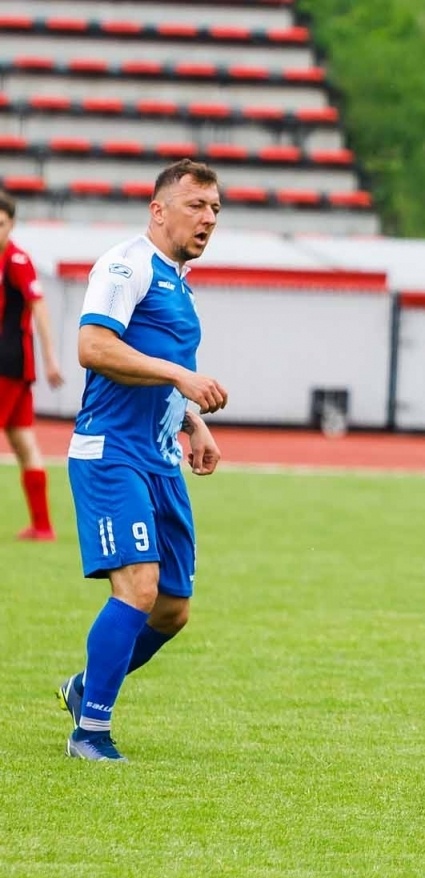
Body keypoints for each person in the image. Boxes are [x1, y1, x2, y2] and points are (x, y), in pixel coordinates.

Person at [57, 159, 229, 762]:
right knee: (137, 589)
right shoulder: (125, 264)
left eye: (214, 208)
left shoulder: (178, 282)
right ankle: (91, 733)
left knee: (172, 610)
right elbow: (94, 346)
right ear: (159, 210)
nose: (207, 218)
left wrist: (193, 422)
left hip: (159, 458)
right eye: (195, 206)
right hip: (111, 453)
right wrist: (185, 375)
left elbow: (153, 369)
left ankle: (86, 689)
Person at [0, 192, 64, 540]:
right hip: (14, 365)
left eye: (1, 224)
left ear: (11, 225)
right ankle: (42, 526)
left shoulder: (18, 260)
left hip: (8, 363)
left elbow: (39, 308)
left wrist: (51, 359)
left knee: (23, 442)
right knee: (24, 442)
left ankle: (42, 525)